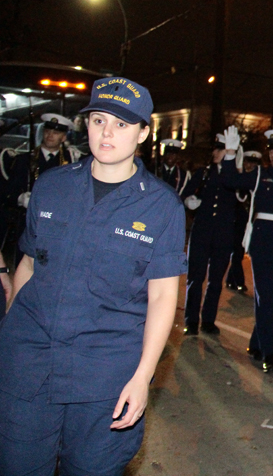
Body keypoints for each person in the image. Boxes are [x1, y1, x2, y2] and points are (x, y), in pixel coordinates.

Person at [0, 76, 186, 476]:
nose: (107, 133)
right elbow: (29, 264)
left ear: (143, 133)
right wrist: (10, 334)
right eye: (99, 120)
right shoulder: (51, 187)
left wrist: (143, 377)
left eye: (121, 124)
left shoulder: (161, 207)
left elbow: (162, 299)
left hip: (105, 378)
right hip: (29, 367)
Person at [221, 128, 273, 373]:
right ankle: (268, 353)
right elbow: (229, 180)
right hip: (264, 243)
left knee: (272, 298)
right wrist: (230, 154)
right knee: (264, 298)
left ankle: (256, 342)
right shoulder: (260, 174)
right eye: (271, 149)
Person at [180, 133, 238, 335]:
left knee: (215, 281)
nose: (215, 153)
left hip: (223, 235)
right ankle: (191, 320)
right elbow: (185, 192)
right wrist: (189, 201)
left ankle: (208, 321)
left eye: (220, 149)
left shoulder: (234, 175)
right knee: (195, 278)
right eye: (214, 148)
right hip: (202, 232)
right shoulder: (204, 172)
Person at [6, 113, 82, 261]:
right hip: (28, 224)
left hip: (58, 225)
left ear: (64, 137)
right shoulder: (24, 160)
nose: (50, 135)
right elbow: (7, 193)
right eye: (47, 131)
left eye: (56, 132)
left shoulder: (73, 162)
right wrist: (20, 199)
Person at [226, 150, 262, 292]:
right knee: (237, 252)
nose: (251, 165)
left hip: (251, 222)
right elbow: (239, 197)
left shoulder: (258, 180)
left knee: (241, 253)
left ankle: (230, 279)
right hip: (238, 222)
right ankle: (239, 281)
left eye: (254, 163)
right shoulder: (241, 179)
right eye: (248, 162)